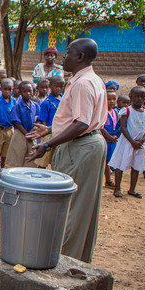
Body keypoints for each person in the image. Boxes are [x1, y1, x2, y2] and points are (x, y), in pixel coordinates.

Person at [28, 38, 108, 264]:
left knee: (72, 207)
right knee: (84, 206)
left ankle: (65, 260)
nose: (64, 58)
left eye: (68, 54)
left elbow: (82, 123)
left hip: (81, 148)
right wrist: (52, 129)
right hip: (90, 143)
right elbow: (83, 119)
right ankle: (78, 257)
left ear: (80, 57)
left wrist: (48, 145)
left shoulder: (82, 84)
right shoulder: (93, 80)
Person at [108, 87, 145, 198]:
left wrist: (142, 140)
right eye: (136, 96)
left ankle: (132, 189)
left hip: (139, 144)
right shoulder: (127, 111)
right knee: (120, 165)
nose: (139, 99)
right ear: (131, 97)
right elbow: (123, 128)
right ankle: (117, 188)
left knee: (136, 166)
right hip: (127, 142)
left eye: (142, 96)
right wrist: (132, 141)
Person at [33, 76, 64, 168]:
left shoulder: (63, 99)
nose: (59, 89)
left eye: (61, 86)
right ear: (50, 86)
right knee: (43, 160)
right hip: (49, 134)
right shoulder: (46, 103)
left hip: (60, 133)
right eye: (56, 86)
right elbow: (44, 122)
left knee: (57, 161)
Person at [8, 82, 39, 168]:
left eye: (30, 91)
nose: (28, 93)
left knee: (31, 154)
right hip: (21, 133)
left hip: (32, 133)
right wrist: (26, 134)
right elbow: (16, 122)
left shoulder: (35, 105)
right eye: (25, 91)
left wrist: (33, 131)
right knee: (17, 154)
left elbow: (38, 119)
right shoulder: (17, 106)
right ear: (20, 93)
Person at [102, 91, 120, 187]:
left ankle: (108, 180)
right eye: (109, 99)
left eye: (114, 99)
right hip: (105, 140)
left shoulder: (115, 112)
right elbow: (101, 127)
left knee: (110, 160)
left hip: (113, 140)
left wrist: (116, 136)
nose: (112, 101)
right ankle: (108, 180)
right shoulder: (102, 112)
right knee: (105, 161)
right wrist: (109, 137)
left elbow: (118, 126)